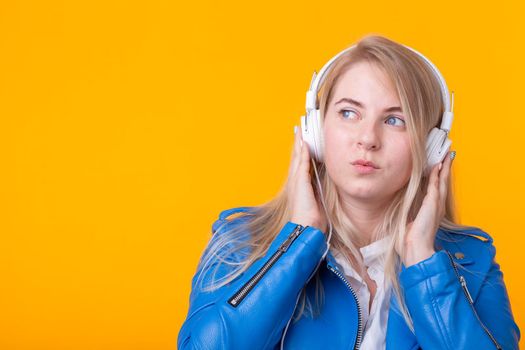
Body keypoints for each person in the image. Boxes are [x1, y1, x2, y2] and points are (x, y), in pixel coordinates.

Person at [177, 34, 520, 349]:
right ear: (315, 130)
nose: (368, 138)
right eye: (348, 112)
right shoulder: (240, 242)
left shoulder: (472, 263)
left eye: (394, 120)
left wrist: (424, 264)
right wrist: (296, 242)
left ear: (431, 147)